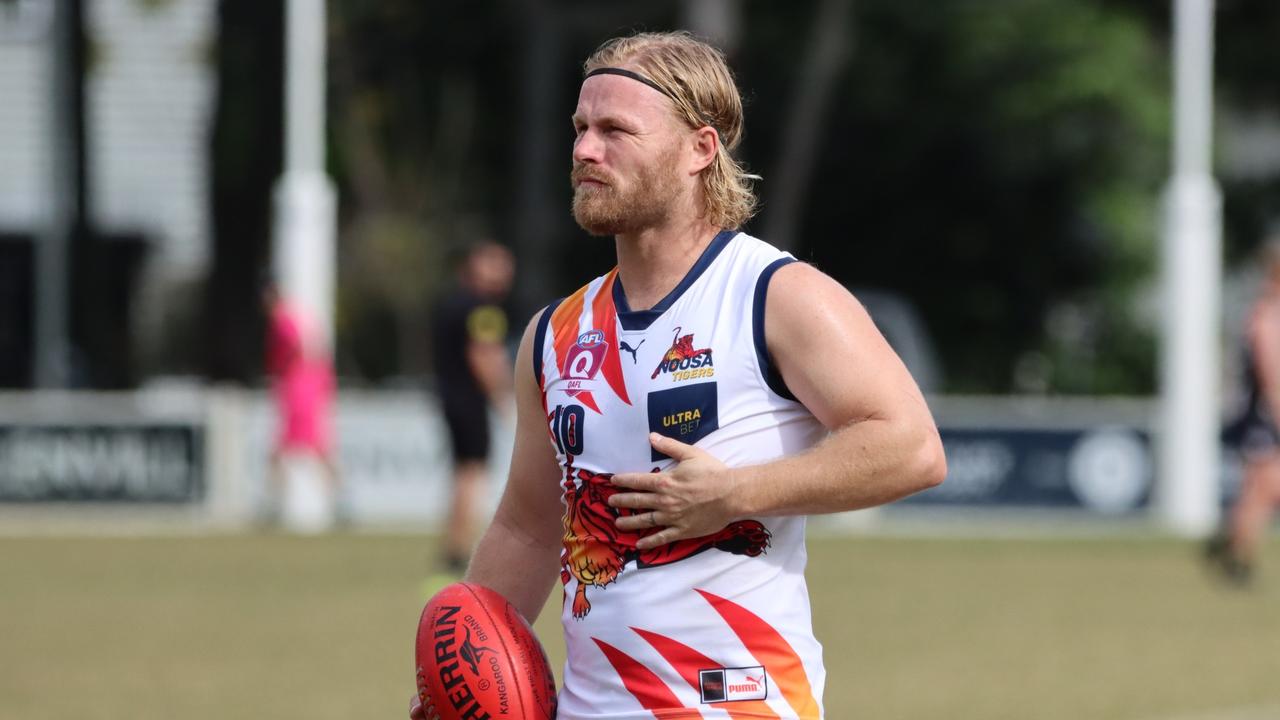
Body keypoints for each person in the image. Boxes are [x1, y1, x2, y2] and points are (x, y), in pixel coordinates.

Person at [410, 31, 946, 718]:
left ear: (700, 148)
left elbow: (913, 446)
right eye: (579, 129)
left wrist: (734, 492)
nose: (583, 151)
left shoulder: (775, 294)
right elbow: (528, 529)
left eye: (614, 130)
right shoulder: (553, 335)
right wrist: (452, 684)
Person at [427, 241, 516, 580]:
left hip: (449, 398)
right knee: (472, 471)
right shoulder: (483, 310)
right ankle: (459, 549)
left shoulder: (450, 303)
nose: (506, 273)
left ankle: (454, 542)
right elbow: (485, 356)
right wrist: (503, 397)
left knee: (462, 472)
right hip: (470, 401)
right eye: (498, 264)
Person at [1208, 235, 1280, 586]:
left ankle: (1232, 545)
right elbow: (1271, 375)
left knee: (1260, 487)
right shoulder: (1265, 317)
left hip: (1263, 414)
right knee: (1263, 486)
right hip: (1263, 415)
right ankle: (1236, 555)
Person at [262, 279, 340, 522]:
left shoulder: (284, 321)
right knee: (316, 448)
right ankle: (338, 501)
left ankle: (275, 504)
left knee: (286, 450)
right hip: (310, 388)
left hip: (299, 390)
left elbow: (294, 350)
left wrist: (283, 373)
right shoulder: (298, 317)